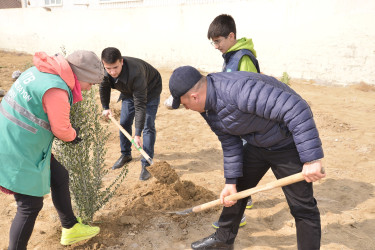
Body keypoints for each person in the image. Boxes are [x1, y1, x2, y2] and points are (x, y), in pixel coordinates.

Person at [169, 66, 326, 250]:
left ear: (194, 97)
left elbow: (296, 109)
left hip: (286, 145)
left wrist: (311, 159)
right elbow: (229, 141)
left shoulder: (238, 90)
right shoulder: (208, 108)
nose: (186, 108)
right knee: (236, 191)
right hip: (257, 143)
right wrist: (230, 181)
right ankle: (223, 240)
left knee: (302, 207)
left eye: (184, 104)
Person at [0, 50, 104, 249]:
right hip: (17, 148)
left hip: (13, 137)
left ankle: (70, 227)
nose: (89, 89)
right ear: (81, 76)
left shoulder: (40, 71)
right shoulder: (56, 90)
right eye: (90, 83)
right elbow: (61, 129)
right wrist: (73, 135)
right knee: (29, 206)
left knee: (59, 175)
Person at [207, 13, 260, 229]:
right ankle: (246, 198)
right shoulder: (231, 56)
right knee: (242, 169)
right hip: (237, 123)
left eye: (218, 41)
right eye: (213, 42)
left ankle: (237, 216)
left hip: (245, 125)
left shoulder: (243, 58)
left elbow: (250, 93)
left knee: (239, 169)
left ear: (231, 36)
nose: (216, 46)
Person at [99, 47, 162, 181]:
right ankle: (126, 154)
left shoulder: (136, 73)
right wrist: (106, 107)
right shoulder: (105, 71)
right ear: (103, 64)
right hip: (128, 92)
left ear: (121, 61)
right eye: (108, 68)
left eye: (115, 67)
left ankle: (147, 164)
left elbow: (140, 105)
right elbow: (103, 87)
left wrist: (137, 134)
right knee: (124, 122)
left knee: (147, 126)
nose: (112, 72)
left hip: (149, 91)